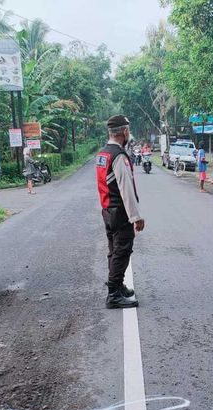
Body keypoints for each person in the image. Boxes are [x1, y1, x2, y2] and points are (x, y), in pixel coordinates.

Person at [96, 115, 145, 309]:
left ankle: (117, 285)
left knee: (114, 251)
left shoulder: (103, 154)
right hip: (120, 211)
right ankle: (114, 294)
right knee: (122, 251)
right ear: (124, 132)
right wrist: (136, 216)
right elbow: (126, 189)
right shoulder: (118, 156)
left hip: (107, 210)